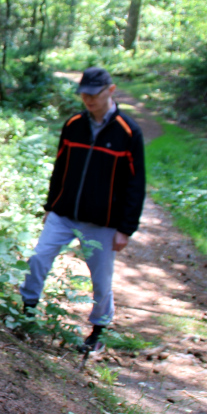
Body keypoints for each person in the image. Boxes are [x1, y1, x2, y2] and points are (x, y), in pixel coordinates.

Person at [20, 66, 146, 353]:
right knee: (39, 258)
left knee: (100, 279)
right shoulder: (73, 124)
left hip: (102, 222)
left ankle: (98, 331)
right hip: (63, 214)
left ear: (110, 91)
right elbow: (60, 168)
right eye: (83, 94)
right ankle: (26, 312)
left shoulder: (128, 132)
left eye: (94, 94)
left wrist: (126, 228)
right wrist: (50, 206)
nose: (88, 100)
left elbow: (136, 184)